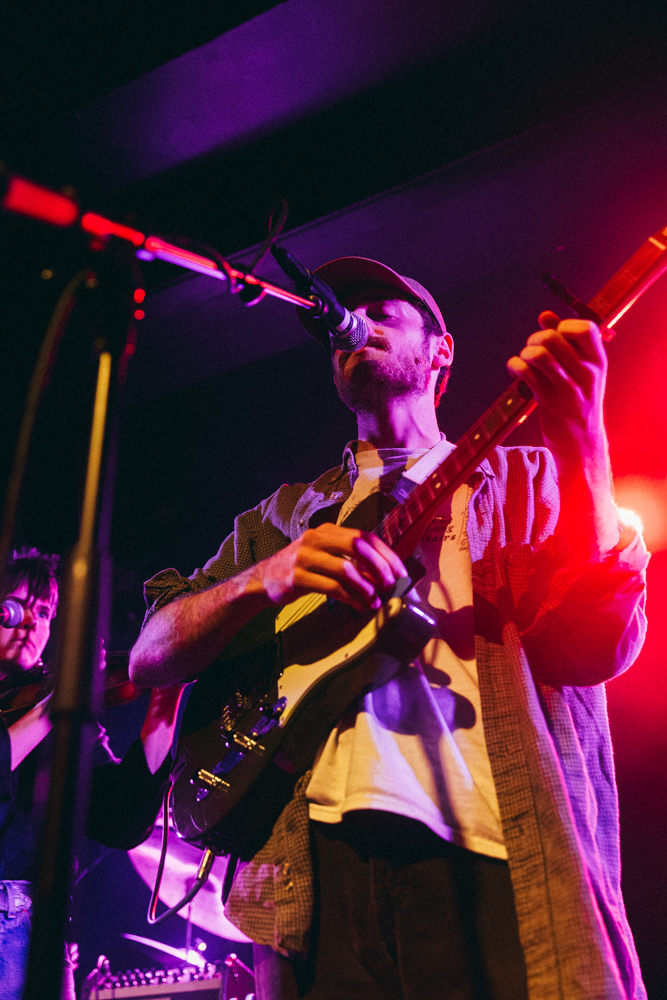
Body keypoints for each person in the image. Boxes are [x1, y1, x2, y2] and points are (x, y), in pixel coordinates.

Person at [129, 257, 648, 1000]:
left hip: (491, 852)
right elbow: (151, 657)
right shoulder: (279, 517)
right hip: (312, 870)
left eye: (384, 310)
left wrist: (582, 439)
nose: (355, 321)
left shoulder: (532, 480)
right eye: (345, 312)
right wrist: (263, 578)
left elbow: (598, 647)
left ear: (440, 350)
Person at [0, 547, 185, 1000]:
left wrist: (167, 698)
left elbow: (120, 818)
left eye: (44, 612)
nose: (31, 624)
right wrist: (58, 702)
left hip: (26, 923)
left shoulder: (64, 715)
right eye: (17, 607)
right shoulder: (55, 705)